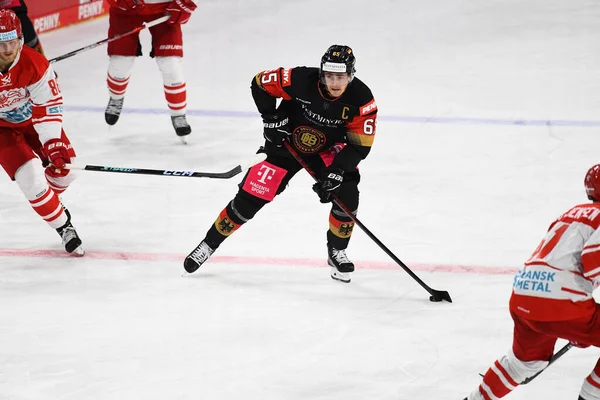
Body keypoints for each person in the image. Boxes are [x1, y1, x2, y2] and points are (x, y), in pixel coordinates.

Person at [183, 44, 378, 283]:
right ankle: (208, 244)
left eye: (340, 77)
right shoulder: (299, 79)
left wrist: (337, 171)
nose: (335, 83)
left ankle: (337, 251)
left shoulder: (362, 99)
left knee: (346, 194)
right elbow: (259, 83)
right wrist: (272, 118)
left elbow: (360, 144)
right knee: (250, 197)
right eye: (329, 76)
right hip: (286, 144)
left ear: (350, 75)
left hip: (328, 152)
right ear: (321, 74)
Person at [464, 164, 600, 400]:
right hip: (563, 304)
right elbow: (593, 260)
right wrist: (577, 321)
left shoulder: (570, 213)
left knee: (523, 364)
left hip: (524, 296)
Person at [0, 9, 83, 256]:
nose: (7, 49)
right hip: (2, 130)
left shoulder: (34, 63)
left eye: (12, 42)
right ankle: (63, 226)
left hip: (34, 122)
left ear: (20, 39)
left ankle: (48, 201)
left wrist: (53, 143)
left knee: (66, 171)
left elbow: (47, 107)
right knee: (31, 181)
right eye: (1, 43)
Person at [104, 0, 198, 141]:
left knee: (170, 64)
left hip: (164, 9)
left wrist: (187, 3)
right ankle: (116, 98)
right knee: (120, 63)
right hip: (126, 10)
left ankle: (178, 114)